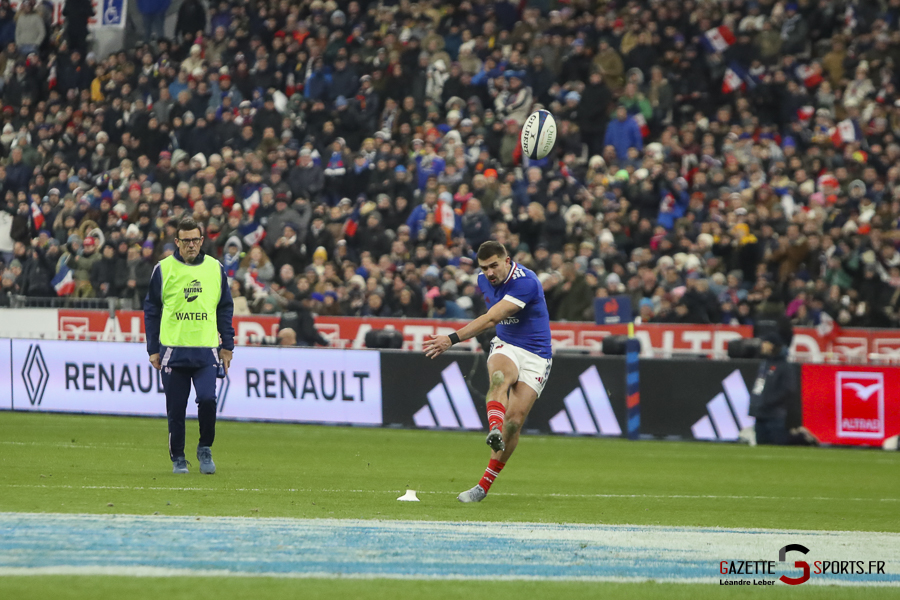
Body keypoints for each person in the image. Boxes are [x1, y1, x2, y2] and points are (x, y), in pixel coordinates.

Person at [424, 241, 552, 503]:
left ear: (507, 261)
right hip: (507, 345)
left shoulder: (526, 282)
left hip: (537, 355)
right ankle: (494, 428)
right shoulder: (483, 281)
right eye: (484, 267)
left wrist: (451, 338)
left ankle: (483, 486)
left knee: (514, 422)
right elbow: (494, 320)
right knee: (498, 378)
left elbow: (493, 317)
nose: (490, 273)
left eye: (494, 265)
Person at [144, 217, 234, 475]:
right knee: (176, 409)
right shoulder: (163, 269)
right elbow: (151, 309)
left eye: (196, 239)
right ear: (177, 242)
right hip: (173, 352)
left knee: (207, 400)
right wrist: (153, 349)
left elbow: (225, 307)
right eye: (186, 241)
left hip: (206, 352)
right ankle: (178, 458)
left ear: (202, 240)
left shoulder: (215, 268)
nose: (192, 245)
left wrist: (227, 345)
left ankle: (205, 447)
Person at [748, 333, 796, 445]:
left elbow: (789, 389)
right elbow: (759, 385)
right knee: (761, 448)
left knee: (776, 447)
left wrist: (768, 401)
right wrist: (755, 403)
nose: (762, 346)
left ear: (772, 345)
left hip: (774, 416)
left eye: (764, 343)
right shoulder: (765, 363)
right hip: (760, 414)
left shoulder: (784, 366)